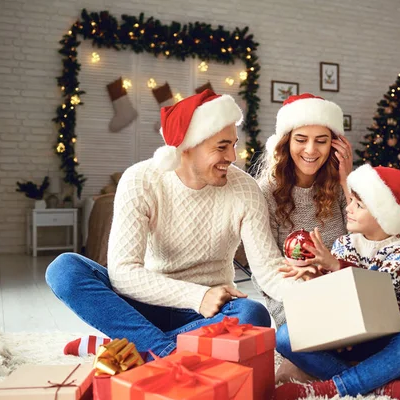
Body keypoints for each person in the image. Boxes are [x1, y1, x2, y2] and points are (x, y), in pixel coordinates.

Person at [45, 90, 300, 358]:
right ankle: (166, 352)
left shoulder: (245, 189)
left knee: (251, 314)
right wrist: (198, 296)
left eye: (233, 144)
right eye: (222, 146)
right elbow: (122, 273)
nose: (232, 156)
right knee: (64, 269)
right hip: (148, 301)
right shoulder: (141, 180)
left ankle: (134, 348)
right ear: (188, 145)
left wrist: (313, 293)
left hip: (211, 311)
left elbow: (268, 270)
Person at [274, 165, 400, 399]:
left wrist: (335, 265)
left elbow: (378, 291)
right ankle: (375, 386)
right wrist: (313, 276)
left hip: (380, 341)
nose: (348, 208)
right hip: (342, 337)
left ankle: (331, 388)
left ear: (382, 215)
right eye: (351, 201)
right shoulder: (345, 243)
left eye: (359, 205)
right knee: (284, 336)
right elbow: (337, 293)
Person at [252, 93, 353, 329]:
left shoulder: (339, 186)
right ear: (286, 142)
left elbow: (363, 243)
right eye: (301, 139)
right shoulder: (265, 192)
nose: (311, 149)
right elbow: (264, 271)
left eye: (321, 140)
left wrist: (347, 179)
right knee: (293, 341)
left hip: (344, 294)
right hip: (292, 301)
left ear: (334, 145)